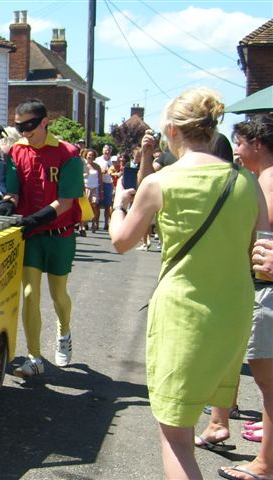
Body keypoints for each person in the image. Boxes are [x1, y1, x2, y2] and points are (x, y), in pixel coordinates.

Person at [108, 87, 269, 480]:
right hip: (233, 311)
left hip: (183, 312)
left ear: (172, 131)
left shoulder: (160, 182)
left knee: (176, 439)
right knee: (195, 416)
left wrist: (117, 204)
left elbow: (121, 241)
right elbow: (262, 252)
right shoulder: (246, 181)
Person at [212, 114, 273, 480]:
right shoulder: (258, 180)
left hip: (267, 290)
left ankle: (265, 465)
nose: (236, 149)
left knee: (269, 386)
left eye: (240, 142)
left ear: (258, 143)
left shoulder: (266, 181)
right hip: (260, 287)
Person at [7, 99, 84, 377]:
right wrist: (3, 204)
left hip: (59, 234)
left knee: (58, 294)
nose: (24, 132)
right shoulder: (16, 151)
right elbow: (13, 192)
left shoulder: (68, 153)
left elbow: (65, 201)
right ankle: (34, 357)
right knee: (29, 293)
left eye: (29, 126)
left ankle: (64, 332)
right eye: (19, 126)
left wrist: (35, 219)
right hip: (31, 236)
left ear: (44, 122)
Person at [95, 144, 115, 230]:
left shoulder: (113, 161)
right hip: (98, 183)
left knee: (108, 205)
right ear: (103, 150)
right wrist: (100, 172)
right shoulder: (98, 160)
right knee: (97, 205)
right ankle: (96, 223)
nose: (107, 151)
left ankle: (106, 224)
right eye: (106, 150)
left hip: (108, 183)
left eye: (109, 150)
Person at [83, 148, 102, 233]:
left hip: (95, 188)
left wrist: (101, 191)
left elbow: (100, 179)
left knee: (94, 206)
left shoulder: (97, 166)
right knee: (85, 206)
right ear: (86, 156)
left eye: (92, 155)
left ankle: (94, 223)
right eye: (89, 155)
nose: (90, 156)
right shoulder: (83, 165)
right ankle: (84, 224)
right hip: (86, 188)